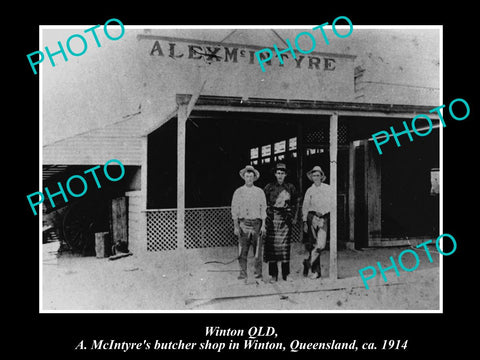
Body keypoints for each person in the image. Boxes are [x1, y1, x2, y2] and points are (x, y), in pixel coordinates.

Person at [231, 165, 267, 283]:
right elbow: (234, 210)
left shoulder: (259, 192)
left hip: (257, 224)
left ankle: (258, 276)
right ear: (244, 177)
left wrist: (263, 225)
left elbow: (264, 209)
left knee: (257, 253)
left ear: (254, 177)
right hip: (243, 224)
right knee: (242, 252)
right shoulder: (238, 192)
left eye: (251, 176)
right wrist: (236, 226)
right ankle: (243, 275)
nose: (249, 178)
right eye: (247, 176)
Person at [263, 163, 298, 282]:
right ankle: (273, 275)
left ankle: (286, 274)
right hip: (272, 219)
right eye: (278, 173)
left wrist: (294, 217)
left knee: (284, 248)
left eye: (282, 173)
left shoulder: (290, 187)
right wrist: (266, 217)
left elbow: (295, 203)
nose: (280, 175)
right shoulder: (269, 187)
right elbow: (264, 203)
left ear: (286, 174)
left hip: (285, 220)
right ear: (275, 174)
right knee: (272, 247)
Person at [301, 166, 335, 279]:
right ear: (312, 177)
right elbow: (305, 206)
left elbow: (332, 203)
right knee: (314, 244)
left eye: (318, 175)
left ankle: (308, 262)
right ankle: (316, 271)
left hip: (323, 217)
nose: (316, 177)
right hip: (312, 217)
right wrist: (305, 221)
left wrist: (324, 212)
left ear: (322, 176)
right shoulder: (309, 190)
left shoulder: (328, 188)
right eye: (314, 175)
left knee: (321, 245)